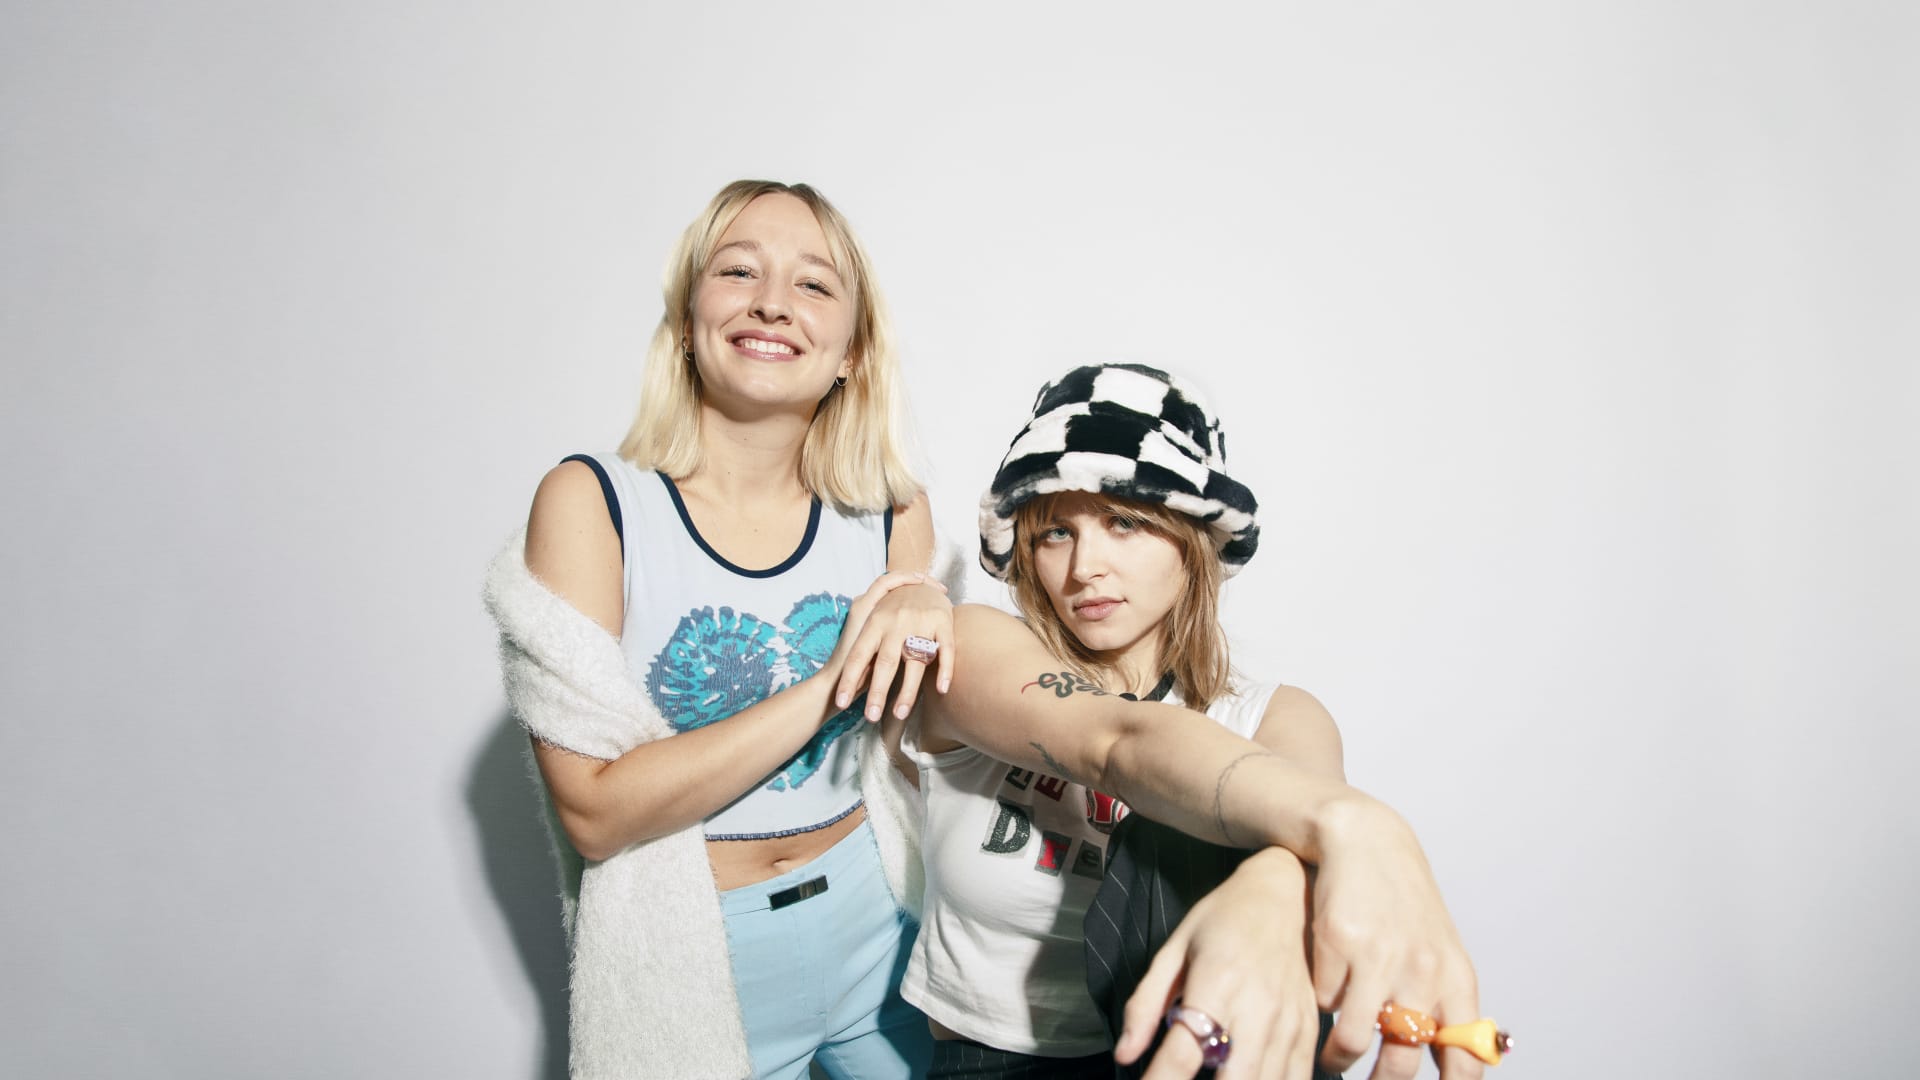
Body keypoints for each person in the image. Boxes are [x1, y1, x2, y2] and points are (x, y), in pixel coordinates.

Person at [877, 363, 1482, 1080]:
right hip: (997, 1063)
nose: (1085, 568)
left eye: (1124, 523)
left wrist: (1275, 884)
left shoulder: (1272, 713)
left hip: (1195, 1050)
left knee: (1271, 853)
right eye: (1056, 533)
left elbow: (1310, 825)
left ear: (1192, 538)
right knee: (1190, 816)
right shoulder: (975, 650)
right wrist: (1365, 826)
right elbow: (1115, 743)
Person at [485, 180, 954, 1079]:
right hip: (699, 965)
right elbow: (595, 811)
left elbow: (923, 745)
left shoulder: (893, 509)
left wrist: (937, 620)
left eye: (813, 284)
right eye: (738, 271)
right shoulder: (593, 504)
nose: (772, 302)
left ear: (853, 350)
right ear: (686, 319)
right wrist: (834, 682)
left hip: (883, 928)